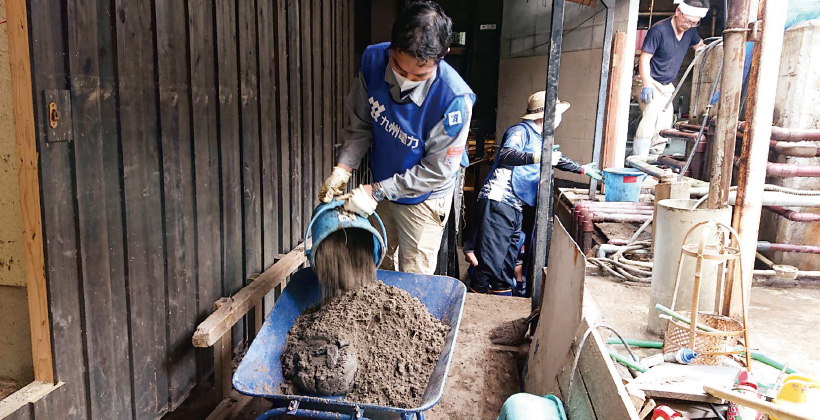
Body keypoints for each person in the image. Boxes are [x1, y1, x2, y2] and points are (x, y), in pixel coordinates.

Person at [318, 0, 475, 275]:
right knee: (379, 260)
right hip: (384, 181)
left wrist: (376, 190)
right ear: (390, 48)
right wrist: (343, 168)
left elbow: (437, 170)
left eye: (420, 74)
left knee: (413, 275)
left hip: (425, 196)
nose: (408, 79)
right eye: (400, 69)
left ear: (443, 56)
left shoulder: (454, 100)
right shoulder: (372, 61)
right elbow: (361, 123)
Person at [464, 92, 602, 295]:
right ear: (546, 117)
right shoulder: (521, 131)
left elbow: (557, 159)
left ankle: (500, 306)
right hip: (499, 201)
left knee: (506, 265)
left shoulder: (540, 138)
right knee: (489, 263)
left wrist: (581, 169)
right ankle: (471, 307)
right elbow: (506, 154)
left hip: (515, 206)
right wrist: (539, 157)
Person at [633, 0, 708, 157]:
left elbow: (701, 47)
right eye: (687, 20)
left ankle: (654, 157)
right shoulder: (659, 30)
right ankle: (638, 159)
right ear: (678, 12)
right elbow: (645, 58)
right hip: (647, 79)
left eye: (694, 23)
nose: (688, 25)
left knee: (665, 122)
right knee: (651, 115)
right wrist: (646, 85)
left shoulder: (691, 32)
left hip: (666, 85)